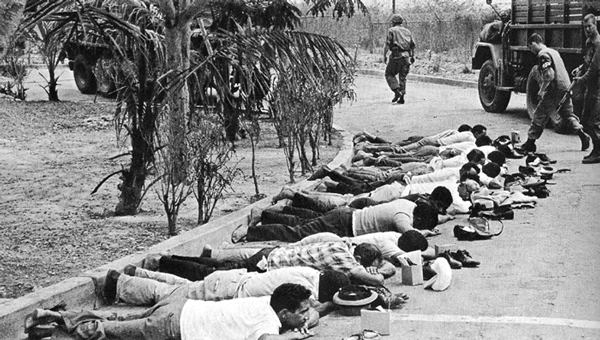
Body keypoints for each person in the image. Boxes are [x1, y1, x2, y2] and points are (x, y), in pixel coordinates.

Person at [26, 283, 315, 340]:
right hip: (174, 327)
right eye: (302, 313)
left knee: (119, 318)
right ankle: (54, 334)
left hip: (180, 306)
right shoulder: (268, 321)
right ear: (285, 313)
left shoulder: (266, 302)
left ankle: (54, 318)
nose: (305, 317)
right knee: (109, 332)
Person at [106, 266, 349, 319]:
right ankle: (119, 284)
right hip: (227, 291)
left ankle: (137, 272)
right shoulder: (306, 292)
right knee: (168, 295)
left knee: (181, 285)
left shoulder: (309, 274)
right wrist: (335, 304)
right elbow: (313, 312)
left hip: (231, 280)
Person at [152, 242, 393, 287]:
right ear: (359, 259)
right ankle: (164, 262)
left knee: (216, 265)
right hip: (267, 266)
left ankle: (169, 260)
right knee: (213, 273)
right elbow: (377, 279)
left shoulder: (342, 245)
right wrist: (377, 271)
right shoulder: (345, 260)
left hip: (271, 254)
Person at [247, 198, 438, 243]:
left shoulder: (407, 204)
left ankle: (264, 216)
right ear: (419, 217)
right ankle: (249, 232)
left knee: (302, 225)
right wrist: (425, 233)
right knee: (297, 234)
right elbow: (411, 235)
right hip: (343, 224)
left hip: (347, 216)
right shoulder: (403, 218)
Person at [520, 33, 591, 153]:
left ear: (534, 43)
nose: (531, 51)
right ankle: (582, 134)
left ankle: (530, 143)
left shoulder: (543, 54)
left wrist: (542, 90)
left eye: (530, 48)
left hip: (553, 89)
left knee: (539, 115)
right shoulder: (554, 52)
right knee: (567, 114)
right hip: (566, 87)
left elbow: (549, 75)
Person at [574, 14, 600, 163]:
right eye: (585, 27)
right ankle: (596, 150)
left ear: (595, 25)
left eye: (590, 26)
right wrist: (580, 70)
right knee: (584, 120)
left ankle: (598, 151)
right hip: (590, 88)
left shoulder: (598, 43)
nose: (588, 29)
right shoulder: (589, 42)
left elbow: (595, 69)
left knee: (594, 122)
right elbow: (587, 64)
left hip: (597, 87)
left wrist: (581, 80)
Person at [383, 13, 415, 104]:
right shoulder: (407, 31)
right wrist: (412, 56)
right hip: (406, 56)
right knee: (403, 77)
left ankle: (397, 91)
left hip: (396, 56)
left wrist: (384, 55)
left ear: (393, 22)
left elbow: (387, 44)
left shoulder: (392, 30)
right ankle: (402, 97)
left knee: (389, 74)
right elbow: (412, 45)